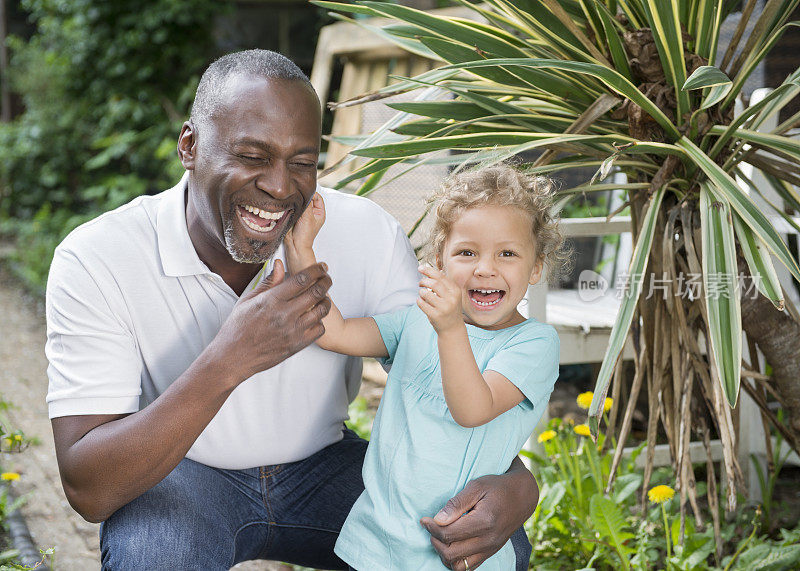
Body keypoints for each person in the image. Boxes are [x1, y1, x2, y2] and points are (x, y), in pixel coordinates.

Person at [45, 49, 539, 570]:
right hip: (182, 477)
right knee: (156, 555)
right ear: (189, 145)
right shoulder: (99, 256)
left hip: (325, 467)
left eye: (302, 164)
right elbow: (90, 487)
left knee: (475, 547)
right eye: (253, 157)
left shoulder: (364, 232)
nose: (280, 187)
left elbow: (440, 382)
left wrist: (518, 484)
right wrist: (231, 357)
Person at [284, 165, 565, 570]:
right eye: (467, 252)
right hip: (377, 545)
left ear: (536, 267)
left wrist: (450, 328)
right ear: (439, 261)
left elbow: (473, 409)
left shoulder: (533, 344)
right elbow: (336, 333)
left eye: (507, 253)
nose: (486, 268)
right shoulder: (416, 321)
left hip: (458, 550)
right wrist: (303, 254)